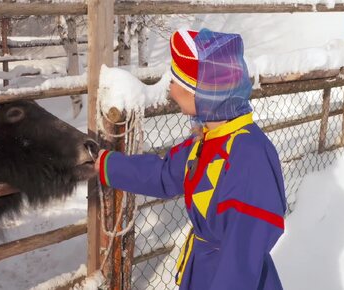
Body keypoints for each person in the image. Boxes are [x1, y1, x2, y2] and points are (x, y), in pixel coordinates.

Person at [95, 28, 287, 290]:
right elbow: (164, 174)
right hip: (202, 273)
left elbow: (241, 261)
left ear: (202, 92)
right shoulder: (209, 139)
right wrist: (107, 164)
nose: (171, 90)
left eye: (175, 82)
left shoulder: (249, 156)